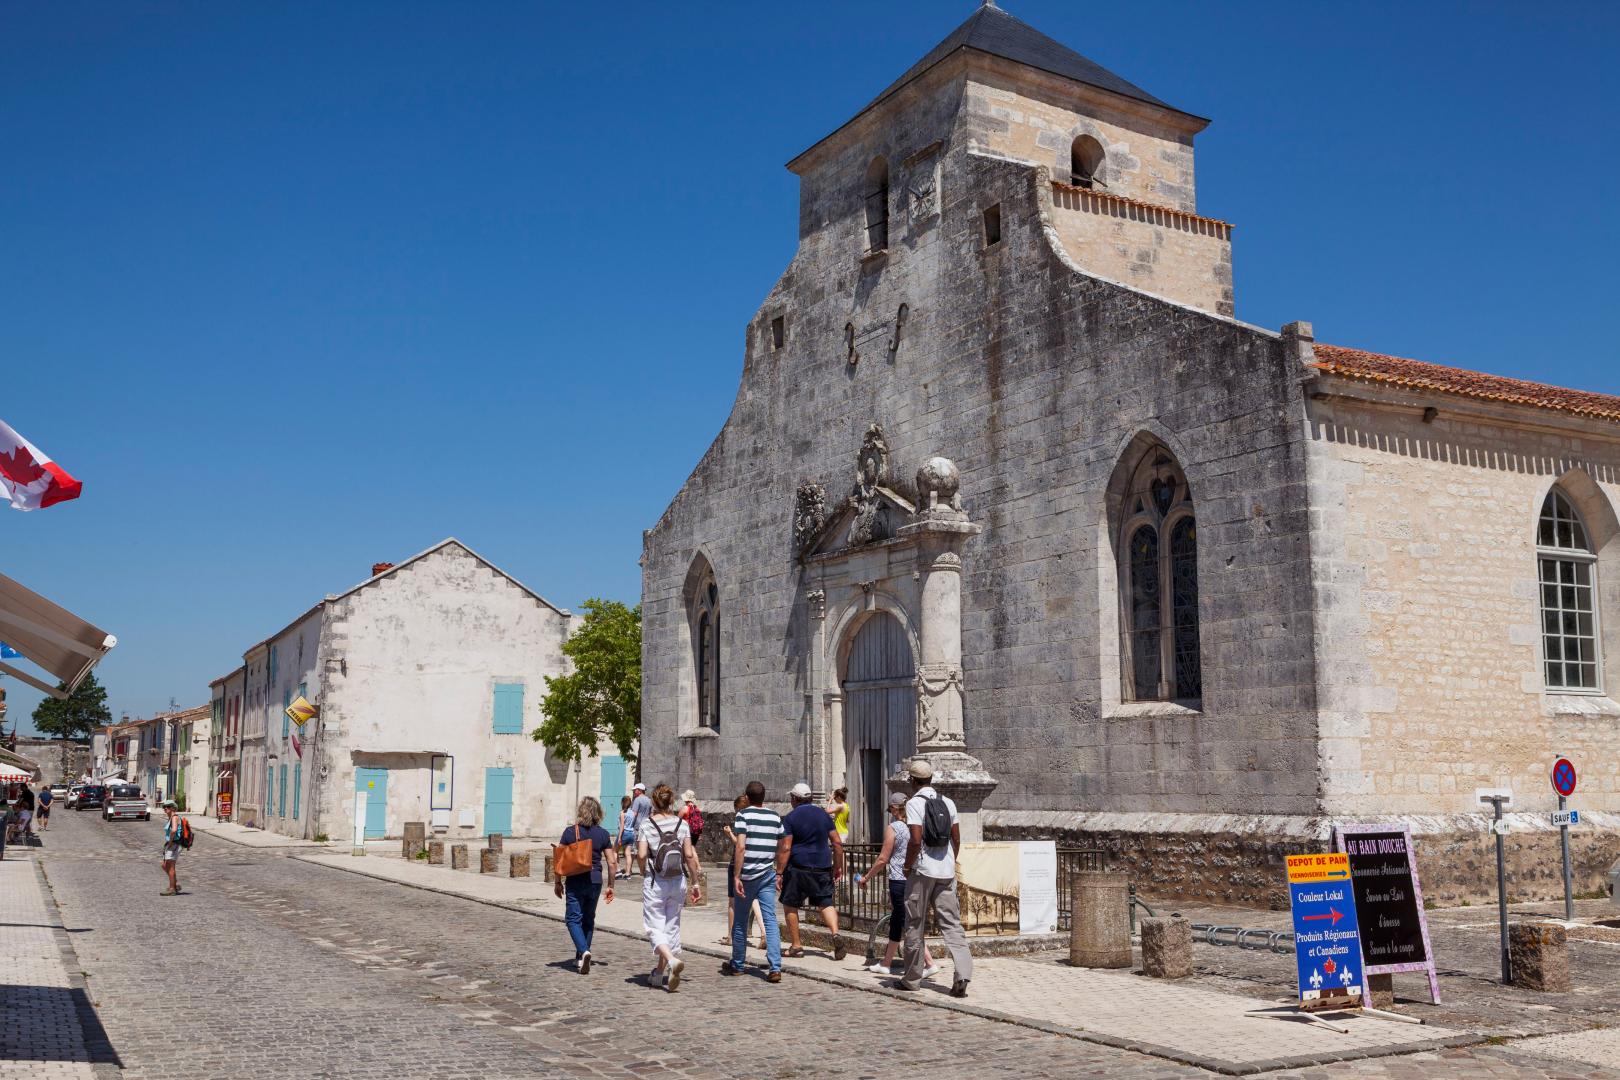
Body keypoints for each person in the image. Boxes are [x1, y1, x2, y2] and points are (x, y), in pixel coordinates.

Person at [899, 759, 970, 997]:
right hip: (946, 871)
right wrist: (950, 860)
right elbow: (956, 838)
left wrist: (908, 866)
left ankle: (912, 978)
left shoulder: (914, 804)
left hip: (922, 870)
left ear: (912, 781)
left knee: (915, 923)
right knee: (952, 924)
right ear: (931, 779)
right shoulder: (948, 802)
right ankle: (962, 974)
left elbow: (916, 839)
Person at [637, 784, 701, 991]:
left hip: (656, 880)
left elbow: (641, 854)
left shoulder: (647, 825)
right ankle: (658, 974)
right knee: (671, 925)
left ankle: (671, 961)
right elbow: (689, 855)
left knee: (654, 926)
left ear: (654, 803)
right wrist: (696, 881)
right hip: (678, 880)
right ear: (671, 802)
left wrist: (642, 870)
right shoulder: (682, 824)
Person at [721, 780, 784, 982]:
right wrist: (780, 872)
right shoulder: (775, 817)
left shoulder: (743, 815)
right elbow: (783, 846)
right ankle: (775, 967)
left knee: (740, 921)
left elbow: (740, 847)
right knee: (770, 920)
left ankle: (738, 964)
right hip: (767, 873)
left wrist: (737, 875)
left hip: (747, 875)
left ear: (747, 798)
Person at [779, 782, 847, 961]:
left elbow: (786, 847)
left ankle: (796, 946)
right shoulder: (823, 815)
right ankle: (835, 934)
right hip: (822, 866)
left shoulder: (791, 818)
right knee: (825, 902)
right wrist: (838, 866)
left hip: (798, 867)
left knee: (790, 904)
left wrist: (779, 872)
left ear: (795, 798)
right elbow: (837, 843)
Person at [554, 796, 616, 974]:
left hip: (575, 879)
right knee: (588, 919)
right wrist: (611, 885)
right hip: (595, 880)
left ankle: (584, 951)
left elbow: (559, 859)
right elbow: (612, 862)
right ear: (598, 813)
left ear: (581, 812)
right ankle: (580, 958)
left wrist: (558, 882)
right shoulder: (603, 834)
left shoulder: (569, 832)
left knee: (573, 919)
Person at [855, 791, 911, 974]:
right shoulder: (916, 826)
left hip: (898, 878)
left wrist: (866, 877)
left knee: (904, 922)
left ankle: (928, 962)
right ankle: (886, 963)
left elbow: (882, 859)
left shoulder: (894, 827)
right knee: (901, 921)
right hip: (914, 878)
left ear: (894, 809)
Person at [626, 782, 653, 877]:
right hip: (647, 826)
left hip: (637, 827)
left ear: (639, 790)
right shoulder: (649, 800)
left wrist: (628, 824)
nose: (634, 792)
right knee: (644, 848)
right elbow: (651, 814)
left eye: (635, 790)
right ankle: (643, 870)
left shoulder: (637, 800)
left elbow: (634, 814)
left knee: (633, 849)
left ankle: (629, 870)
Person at [160, 800, 183, 896]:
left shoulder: (174, 818)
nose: (165, 808)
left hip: (174, 844)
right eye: (164, 807)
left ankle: (172, 888)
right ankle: (175, 883)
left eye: (168, 806)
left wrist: (170, 842)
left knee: (170, 866)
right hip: (172, 844)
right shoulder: (171, 818)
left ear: (173, 808)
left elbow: (173, 830)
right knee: (164, 865)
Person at [614, 795, 635, 879]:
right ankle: (627, 874)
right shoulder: (632, 813)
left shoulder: (622, 813)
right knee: (628, 854)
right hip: (631, 833)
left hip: (624, 833)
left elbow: (622, 825)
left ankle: (618, 871)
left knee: (614, 851)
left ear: (622, 803)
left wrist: (619, 837)